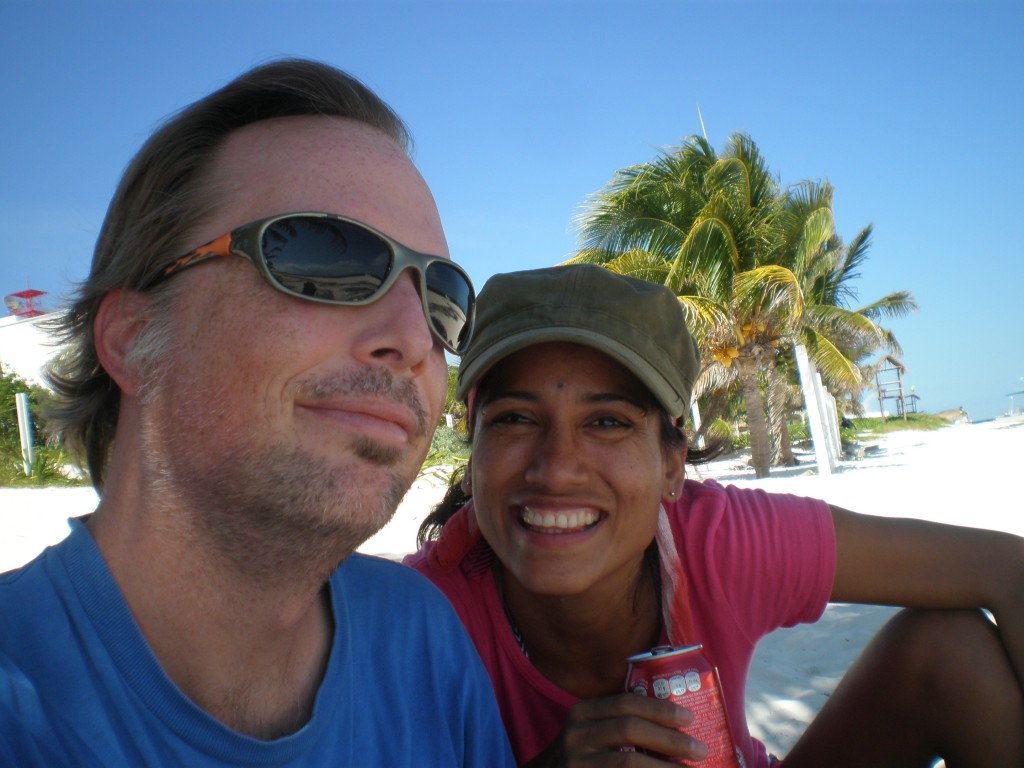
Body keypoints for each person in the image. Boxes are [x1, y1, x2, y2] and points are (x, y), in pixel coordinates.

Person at [0, 59, 515, 767]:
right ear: (131, 341)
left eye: (443, 296)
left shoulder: (423, 640)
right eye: (321, 259)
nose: (415, 337)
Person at [405, 264, 1024, 767]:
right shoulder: (414, 618)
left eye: (608, 422)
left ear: (673, 466)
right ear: (473, 445)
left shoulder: (713, 541)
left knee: (952, 647)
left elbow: (1006, 566)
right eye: (515, 418)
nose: (557, 468)